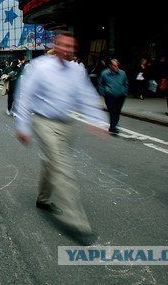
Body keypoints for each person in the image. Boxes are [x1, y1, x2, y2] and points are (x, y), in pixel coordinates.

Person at [13, 31, 108, 245]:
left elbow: (86, 95)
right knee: (62, 168)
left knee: (51, 163)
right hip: (44, 122)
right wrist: (22, 125)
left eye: (71, 46)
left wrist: (98, 119)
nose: (68, 50)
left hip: (66, 125)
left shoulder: (77, 70)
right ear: (55, 45)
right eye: (64, 45)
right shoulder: (40, 67)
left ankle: (43, 199)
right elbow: (24, 95)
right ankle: (76, 222)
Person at [98, 59, 129, 135]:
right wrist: (103, 93)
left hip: (121, 96)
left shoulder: (122, 73)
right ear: (110, 66)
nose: (117, 67)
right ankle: (113, 127)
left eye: (117, 65)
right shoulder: (104, 73)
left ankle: (113, 126)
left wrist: (124, 92)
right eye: (115, 66)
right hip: (110, 95)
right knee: (113, 111)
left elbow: (126, 83)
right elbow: (100, 83)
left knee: (117, 112)